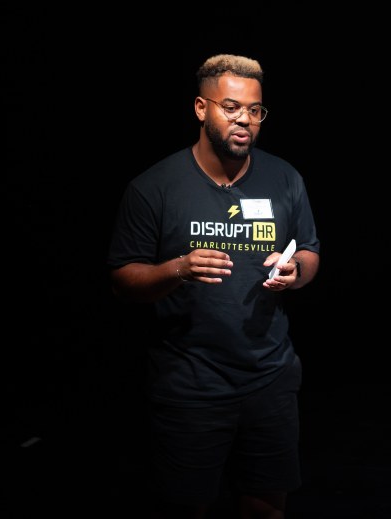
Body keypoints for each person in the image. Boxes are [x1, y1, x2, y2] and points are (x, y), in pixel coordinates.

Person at [106, 53, 320, 519]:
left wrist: (295, 271)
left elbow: (308, 251)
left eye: (255, 110)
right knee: (188, 505)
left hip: (269, 376)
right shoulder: (155, 187)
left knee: (266, 505)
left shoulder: (284, 178)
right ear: (201, 109)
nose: (245, 119)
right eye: (231, 107)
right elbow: (123, 279)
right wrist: (177, 269)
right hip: (190, 382)